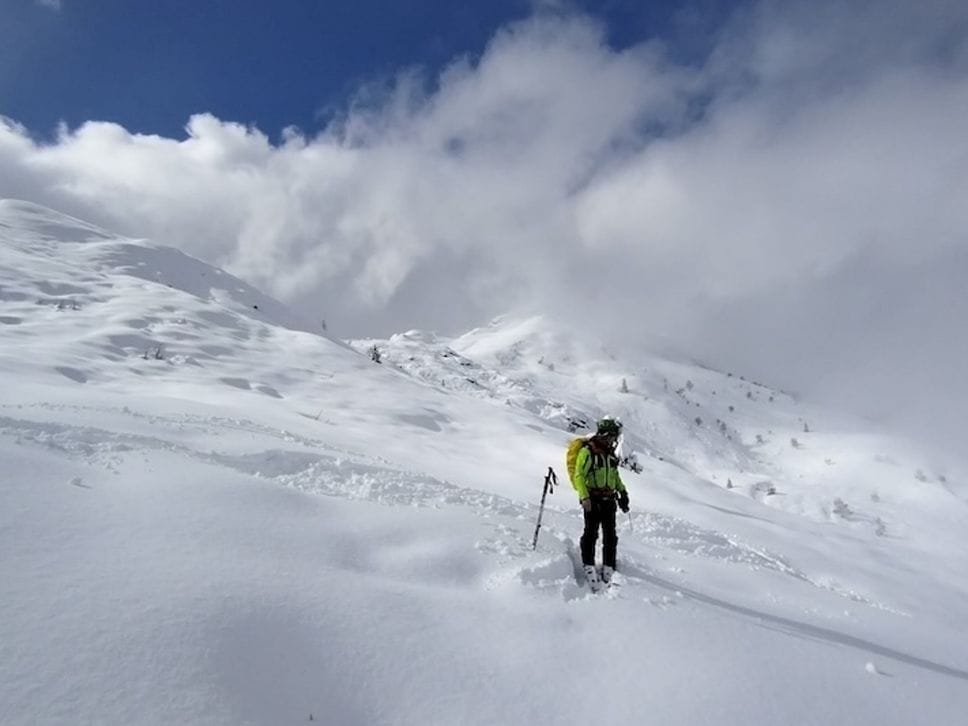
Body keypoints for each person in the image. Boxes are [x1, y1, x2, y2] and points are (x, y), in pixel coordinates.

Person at [572, 416, 630, 587]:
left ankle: (608, 565)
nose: (614, 440)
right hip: (593, 500)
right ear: (605, 434)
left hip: (609, 500)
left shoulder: (609, 453)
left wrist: (622, 492)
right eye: (613, 436)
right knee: (591, 534)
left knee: (610, 536)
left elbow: (614, 475)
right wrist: (584, 497)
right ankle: (588, 565)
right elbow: (579, 475)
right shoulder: (588, 452)